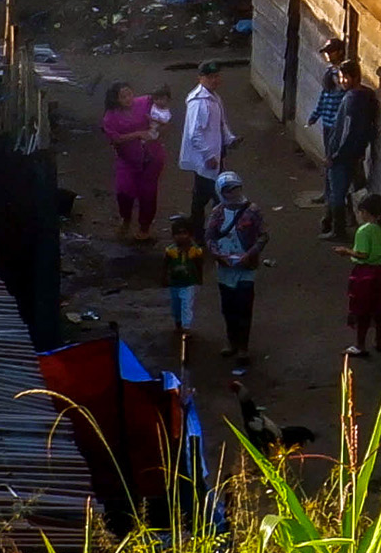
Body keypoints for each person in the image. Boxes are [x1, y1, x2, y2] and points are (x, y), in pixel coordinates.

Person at [312, 38, 381, 239]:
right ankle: (336, 224)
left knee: (337, 193)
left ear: (353, 77)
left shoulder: (351, 99)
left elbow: (347, 130)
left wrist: (334, 153)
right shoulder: (364, 96)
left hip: (343, 155)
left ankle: (337, 230)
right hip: (355, 153)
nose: (341, 82)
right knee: (348, 189)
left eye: (344, 78)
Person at [203, 170, 266, 357]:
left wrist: (250, 253)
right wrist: (218, 255)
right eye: (229, 190)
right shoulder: (217, 213)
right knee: (228, 308)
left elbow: (263, 235)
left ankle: (243, 347)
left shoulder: (253, 211)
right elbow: (209, 237)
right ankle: (232, 342)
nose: (234, 193)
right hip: (225, 269)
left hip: (246, 267)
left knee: (244, 307)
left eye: (236, 189)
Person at [100, 80, 168, 236]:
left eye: (130, 94)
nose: (128, 99)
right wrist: (137, 134)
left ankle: (145, 227)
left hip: (151, 157)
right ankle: (126, 218)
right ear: (116, 99)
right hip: (127, 159)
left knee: (148, 193)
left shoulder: (144, 102)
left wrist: (161, 124)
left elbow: (160, 101)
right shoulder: (110, 117)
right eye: (123, 96)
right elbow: (115, 138)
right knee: (123, 191)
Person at [344, 189, 381, 357]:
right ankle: (378, 341)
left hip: (365, 274)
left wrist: (346, 251)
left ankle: (360, 345)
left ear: (365, 212)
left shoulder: (364, 231)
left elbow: (363, 254)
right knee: (380, 308)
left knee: (362, 310)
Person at [158, 216, 207, 356]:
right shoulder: (171, 251)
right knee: (176, 305)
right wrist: (164, 278)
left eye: (184, 233)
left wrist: (199, 279)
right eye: (178, 234)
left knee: (186, 304)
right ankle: (179, 324)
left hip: (188, 283)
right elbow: (165, 265)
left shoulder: (195, 251)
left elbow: (199, 265)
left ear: (190, 235)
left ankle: (186, 327)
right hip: (174, 283)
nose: (181, 237)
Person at [177, 63, 230, 191]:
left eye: (216, 76)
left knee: (204, 192)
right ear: (200, 78)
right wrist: (208, 156)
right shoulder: (198, 101)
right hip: (207, 157)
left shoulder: (213, 96)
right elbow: (194, 133)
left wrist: (229, 139)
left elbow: (220, 123)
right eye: (210, 77)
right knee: (212, 192)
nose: (214, 80)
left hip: (215, 152)